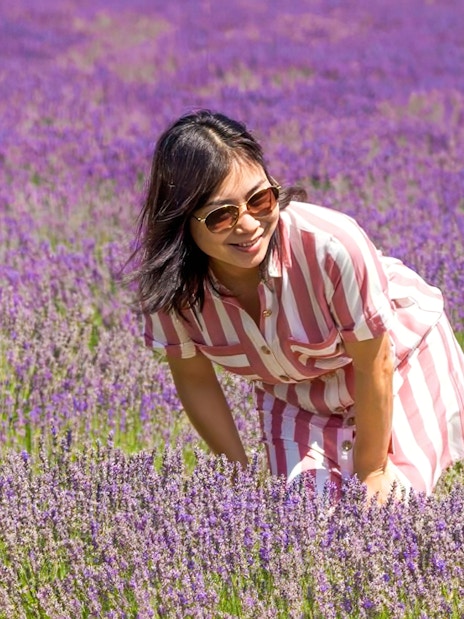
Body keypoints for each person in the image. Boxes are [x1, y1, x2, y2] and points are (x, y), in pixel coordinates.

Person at [131, 109, 464, 502]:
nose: (250, 224)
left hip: (400, 359)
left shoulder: (331, 248)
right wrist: (241, 481)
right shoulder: (170, 291)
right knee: (305, 520)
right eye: (222, 216)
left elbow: (376, 361)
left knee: (389, 510)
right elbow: (195, 380)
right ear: (182, 220)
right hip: (295, 394)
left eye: (260, 199)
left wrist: (372, 469)